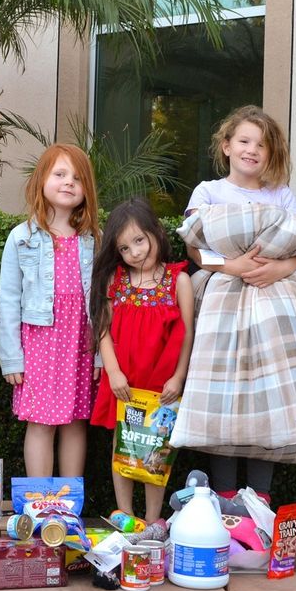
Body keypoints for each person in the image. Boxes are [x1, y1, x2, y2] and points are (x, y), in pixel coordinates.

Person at [184, 105, 296, 502]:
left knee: (266, 394)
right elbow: (196, 251)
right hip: (221, 309)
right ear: (226, 146)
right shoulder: (208, 192)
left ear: (272, 154)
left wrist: (280, 268)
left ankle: (260, 502)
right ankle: (222, 500)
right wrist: (232, 265)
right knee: (224, 394)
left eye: (262, 144)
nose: (252, 150)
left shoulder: (282, 195)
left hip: (272, 306)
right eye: (244, 141)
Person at [0, 143, 100, 477]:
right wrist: (12, 357)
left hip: (81, 343)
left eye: (77, 178)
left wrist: (100, 354)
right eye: (60, 174)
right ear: (42, 179)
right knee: (41, 422)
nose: (69, 182)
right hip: (41, 341)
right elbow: (9, 300)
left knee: (75, 421)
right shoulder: (22, 237)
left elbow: (103, 302)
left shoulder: (94, 239)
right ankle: (40, 503)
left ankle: (70, 505)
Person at [89, 198, 194, 521]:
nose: (134, 252)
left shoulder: (179, 280)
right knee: (123, 447)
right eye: (124, 248)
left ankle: (151, 519)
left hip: (161, 386)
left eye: (139, 240)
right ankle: (124, 514)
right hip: (125, 385)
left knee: (155, 450)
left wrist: (178, 378)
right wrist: (114, 372)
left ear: (156, 233)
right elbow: (103, 330)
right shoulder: (115, 281)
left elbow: (188, 334)